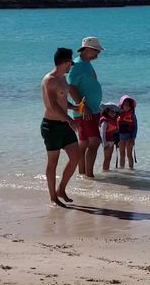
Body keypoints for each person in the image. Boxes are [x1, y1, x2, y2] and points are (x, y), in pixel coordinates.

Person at [40, 48, 81, 207]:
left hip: (64, 124)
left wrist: (74, 107)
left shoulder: (63, 79)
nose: (71, 64)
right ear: (65, 62)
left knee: (75, 157)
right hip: (51, 126)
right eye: (70, 61)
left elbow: (63, 103)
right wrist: (70, 120)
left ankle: (61, 189)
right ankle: (53, 197)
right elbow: (52, 106)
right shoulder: (49, 80)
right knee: (53, 162)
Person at [67, 36, 104, 178]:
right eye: (96, 50)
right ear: (87, 49)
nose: (98, 53)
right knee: (94, 142)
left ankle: (82, 174)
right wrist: (85, 107)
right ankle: (89, 175)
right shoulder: (77, 65)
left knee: (84, 143)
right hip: (86, 111)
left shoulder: (86, 63)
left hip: (91, 110)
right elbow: (71, 87)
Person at [117, 95, 138, 170]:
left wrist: (133, 138)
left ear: (131, 106)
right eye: (125, 105)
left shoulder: (132, 115)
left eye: (129, 105)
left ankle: (131, 169)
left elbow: (135, 127)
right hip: (121, 137)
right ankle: (122, 170)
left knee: (129, 155)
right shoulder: (118, 114)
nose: (127, 107)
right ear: (122, 105)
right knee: (121, 154)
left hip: (129, 137)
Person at [99, 103, 120, 172]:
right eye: (111, 111)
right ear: (107, 111)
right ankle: (104, 171)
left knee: (109, 158)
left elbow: (117, 132)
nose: (113, 113)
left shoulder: (114, 121)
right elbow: (102, 134)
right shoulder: (104, 121)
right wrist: (104, 144)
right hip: (107, 142)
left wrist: (117, 142)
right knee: (106, 158)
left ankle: (107, 171)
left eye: (114, 112)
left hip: (112, 142)